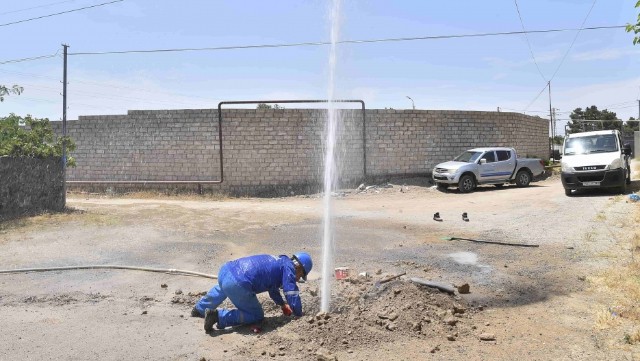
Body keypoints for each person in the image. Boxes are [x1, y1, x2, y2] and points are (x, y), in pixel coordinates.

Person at [191, 252, 313, 332]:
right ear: (299, 267)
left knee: (223, 287)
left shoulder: (280, 261)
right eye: (301, 276)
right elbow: (291, 291)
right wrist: (298, 313)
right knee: (256, 315)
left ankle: (199, 308)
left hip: (225, 270)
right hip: (238, 283)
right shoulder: (289, 269)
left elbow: (272, 289)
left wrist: (282, 304)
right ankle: (217, 316)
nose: (298, 279)